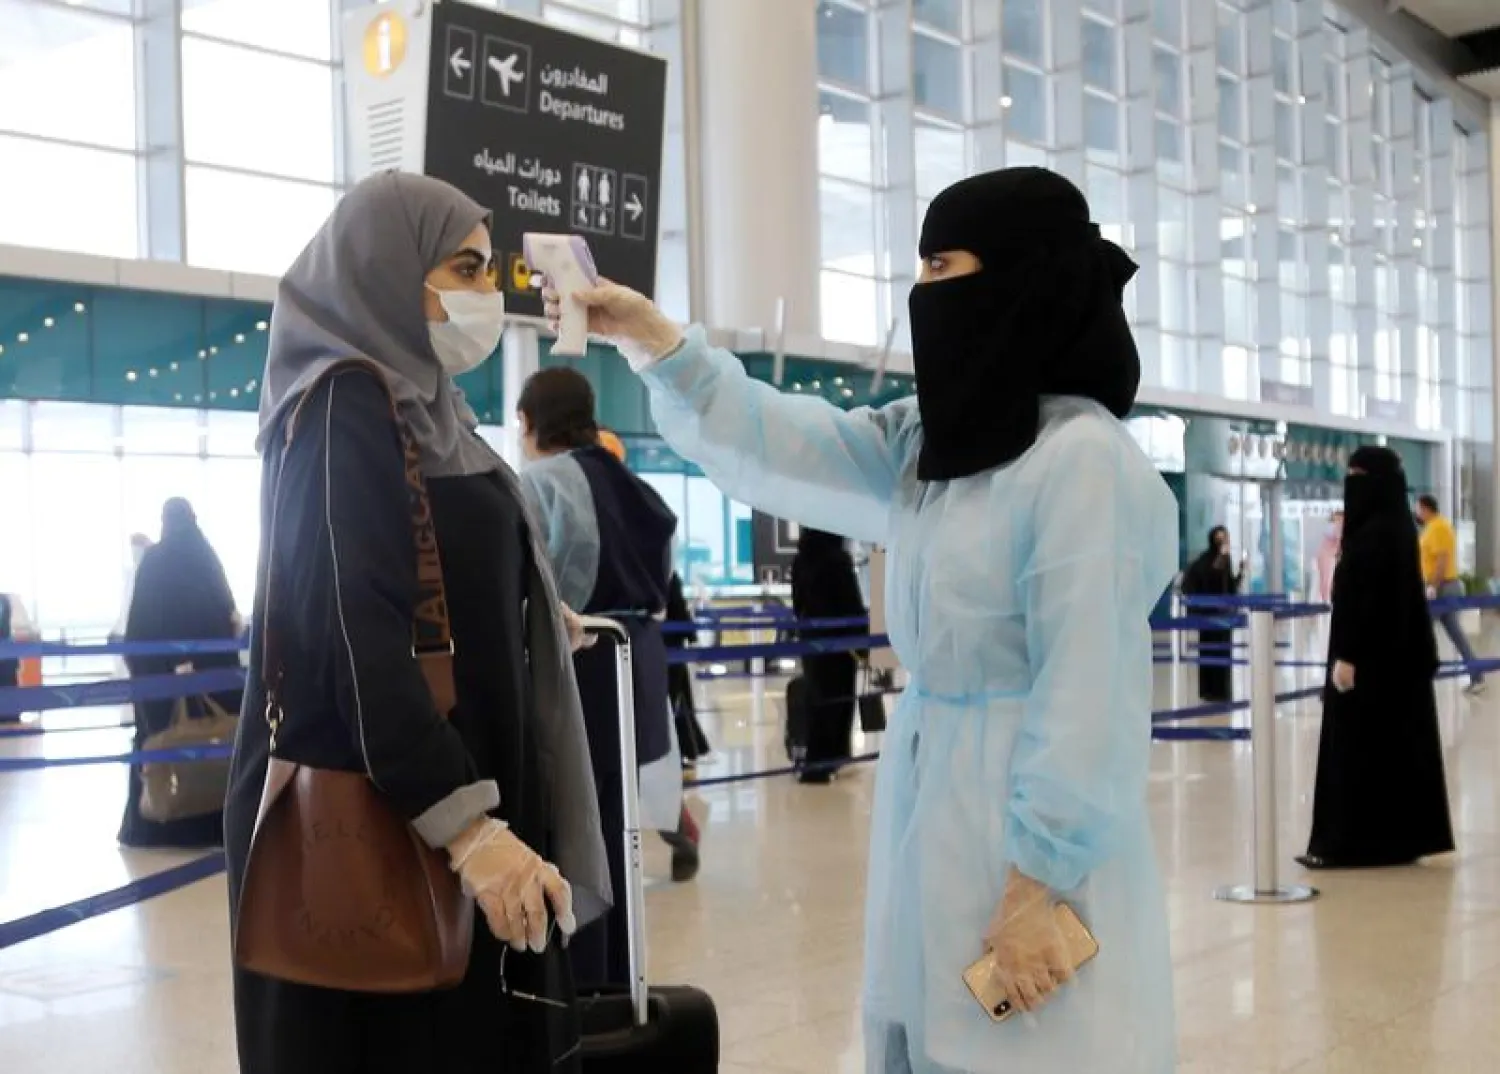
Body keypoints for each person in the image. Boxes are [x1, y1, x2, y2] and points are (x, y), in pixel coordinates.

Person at [550, 166, 1179, 1073]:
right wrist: (656, 340)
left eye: (942, 265)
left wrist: (1042, 874)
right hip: (932, 800)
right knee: (928, 1032)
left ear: (1019, 277)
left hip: (1025, 825)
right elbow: (782, 439)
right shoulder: (935, 448)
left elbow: (1089, 690)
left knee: (1033, 1046)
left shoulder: (1081, 463)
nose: (924, 293)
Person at [224, 171, 610, 1074]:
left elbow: (423, 559)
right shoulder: (338, 405)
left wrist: (526, 612)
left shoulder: (428, 405)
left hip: (442, 793)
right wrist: (471, 832)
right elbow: (346, 634)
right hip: (399, 811)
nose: (487, 295)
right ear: (388, 269)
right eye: (466, 269)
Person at [516, 366, 699, 990]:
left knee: (571, 829)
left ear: (528, 422)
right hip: (636, 666)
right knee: (620, 829)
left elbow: (523, 582)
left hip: (577, 663)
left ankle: (582, 979)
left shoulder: (541, 483)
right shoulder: (637, 488)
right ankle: (622, 973)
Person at [1298, 446, 1455, 871]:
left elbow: (1369, 601)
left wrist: (1348, 656)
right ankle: (1391, 839)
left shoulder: (1379, 534)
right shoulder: (1395, 528)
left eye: (1358, 475)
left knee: (1360, 752)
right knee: (1392, 751)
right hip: (1393, 667)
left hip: (1368, 666)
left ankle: (1354, 841)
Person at [118, 499, 241, 848]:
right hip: (213, 675)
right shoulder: (206, 558)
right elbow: (226, 613)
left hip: (158, 674)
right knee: (214, 739)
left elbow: (138, 628)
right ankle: (215, 821)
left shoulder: (154, 562)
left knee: (157, 739)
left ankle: (152, 823)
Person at [789, 527, 868, 783]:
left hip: (812, 641)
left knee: (817, 698)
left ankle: (818, 760)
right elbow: (851, 605)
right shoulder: (838, 560)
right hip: (839, 645)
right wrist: (865, 644)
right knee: (838, 701)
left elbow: (797, 604)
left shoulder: (801, 560)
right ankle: (827, 761)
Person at [1416, 493, 1485, 695]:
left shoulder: (1438, 527)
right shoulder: (1432, 527)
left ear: (1426, 508)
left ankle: (1416, 675)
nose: (1417, 512)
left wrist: (1433, 587)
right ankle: (1477, 676)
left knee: (1417, 631)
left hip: (1442, 587)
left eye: (1419, 508)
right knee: (1456, 635)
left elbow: (1441, 559)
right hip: (1441, 586)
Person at [1179, 526, 1244, 703]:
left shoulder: (1223, 559)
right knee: (1210, 653)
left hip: (1222, 615)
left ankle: (1221, 691)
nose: (1224, 543)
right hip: (1210, 616)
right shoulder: (1208, 561)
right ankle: (1210, 691)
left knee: (1222, 653)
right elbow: (1210, 577)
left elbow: (1229, 586)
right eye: (1220, 539)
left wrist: (1240, 573)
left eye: (1225, 538)